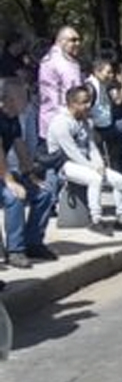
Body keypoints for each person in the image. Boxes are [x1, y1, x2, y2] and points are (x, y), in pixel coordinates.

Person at [48, 85, 122, 233]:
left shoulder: (84, 122)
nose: (88, 106)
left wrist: (99, 164)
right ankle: (96, 220)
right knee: (95, 179)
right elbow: (72, 152)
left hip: (85, 163)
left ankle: (121, 218)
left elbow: (92, 146)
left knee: (120, 180)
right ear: (72, 104)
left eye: (89, 101)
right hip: (64, 164)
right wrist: (93, 167)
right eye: (84, 102)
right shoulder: (60, 123)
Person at [1, 76, 55, 268]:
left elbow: (20, 146)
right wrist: (9, 181)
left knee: (44, 193)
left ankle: (33, 242)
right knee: (13, 198)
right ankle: (15, 250)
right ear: (7, 99)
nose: (26, 101)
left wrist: (30, 175)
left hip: (4, 172)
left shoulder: (13, 117)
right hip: (2, 174)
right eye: (22, 97)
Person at [37, 27, 82, 141]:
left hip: (47, 122)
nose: (78, 43)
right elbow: (76, 95)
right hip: (64, 124)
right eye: (73, 40)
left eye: (79, 40)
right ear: (61, 41)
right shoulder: (64, 62)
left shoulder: (47, 58)